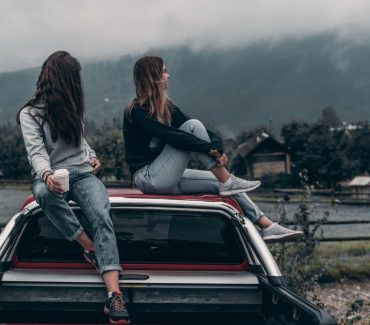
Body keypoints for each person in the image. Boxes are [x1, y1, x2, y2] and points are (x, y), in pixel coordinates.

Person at [123, 56, 302, 242]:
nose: (169, 75)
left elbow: (201, 131)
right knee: (193, 126)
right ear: (154, 77)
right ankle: (227, 179)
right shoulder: (135, 111)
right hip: (148, 178)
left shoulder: (166, 107)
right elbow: (173, 136)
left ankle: (267, 226)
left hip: (167, 176)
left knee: (223, 184)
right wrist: (209, 149)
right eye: (165, 71)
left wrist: (217, 147)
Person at [17, 51, 130, 324]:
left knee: (102, 215)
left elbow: (80, 141)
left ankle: (114, 295)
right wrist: (46, 175)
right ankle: (89, 247)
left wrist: (91, 155)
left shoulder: (73, 105)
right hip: (52, 177)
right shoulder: (30, 113)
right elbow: (36, 152)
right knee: (42, 194)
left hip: (83, 175)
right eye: (73, 78)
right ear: (62, 79)